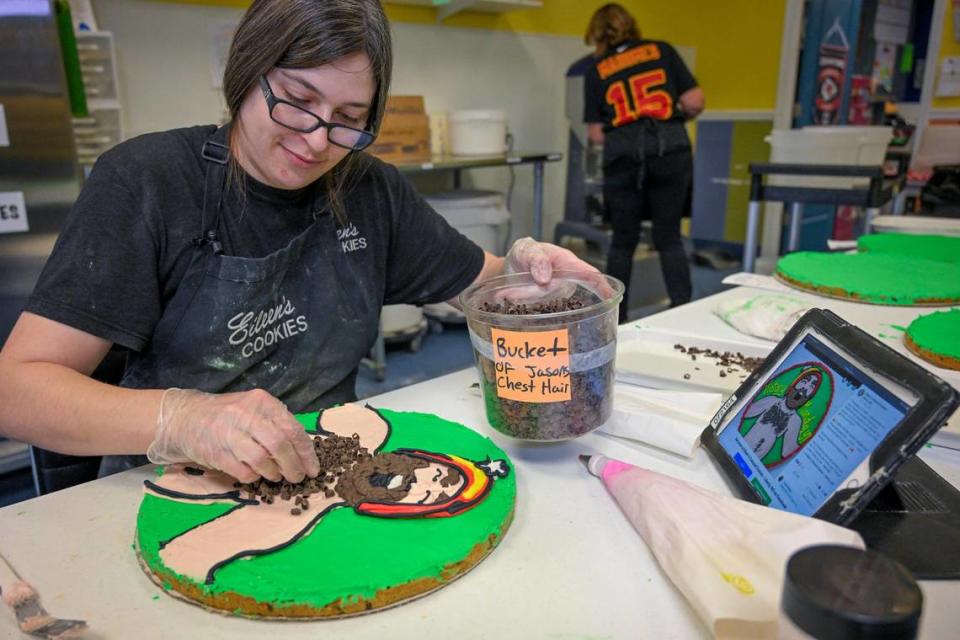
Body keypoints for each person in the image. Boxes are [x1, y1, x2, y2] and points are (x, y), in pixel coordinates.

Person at [0, 0, 597, 485]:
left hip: (326, 477)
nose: (316, 141)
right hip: (168, 487)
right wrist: (182, 418)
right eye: (297, 101)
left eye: (347, 117)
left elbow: (485, 284)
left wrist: (527, 270)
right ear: (247, 73)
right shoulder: (148, 182)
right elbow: (18, 389)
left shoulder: (370, 191)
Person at [145, 404, 510, 584]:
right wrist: (176, 419)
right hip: (148, 455)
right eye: (437, 476)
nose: (421, 485)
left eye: (430, 496)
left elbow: (194, 552)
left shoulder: (293, 521)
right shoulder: (365, 430)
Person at [583, 3, 705, 322]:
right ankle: (683, 311)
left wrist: (624, 132)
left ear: (598, 35)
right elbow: (694, 100)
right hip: (669, 151)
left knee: (623, 242)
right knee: (669, 237)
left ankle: (616, 320)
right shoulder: (661, 50)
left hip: (624, 157)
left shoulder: (596, 70)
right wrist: (675, 118)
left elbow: (596, 134)